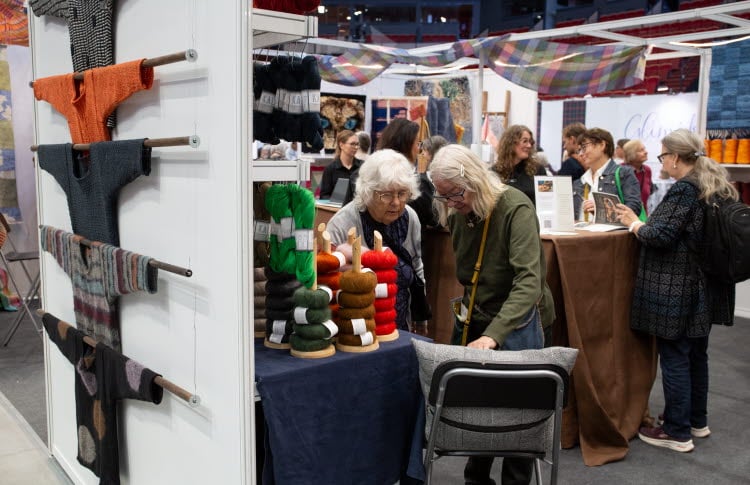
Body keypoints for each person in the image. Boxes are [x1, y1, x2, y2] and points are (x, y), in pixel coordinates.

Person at [430, 144, 555, 485]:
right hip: (481, 317)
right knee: (480, 407)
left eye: (455, 194)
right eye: (443, 196)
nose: (450, 203)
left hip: (521, 319)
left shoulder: (515, 208)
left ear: (474, 180)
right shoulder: (458, 212)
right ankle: (476, 478)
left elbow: (529, 283)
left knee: (520, 415)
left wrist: (493, 335)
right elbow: (470, 276)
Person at [614, 128, 736, 453]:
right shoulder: (712, 184)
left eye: (663, 155)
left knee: (675, 357)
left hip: (679, 288)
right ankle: (696, 421)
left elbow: (660, 235)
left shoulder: (684, 188)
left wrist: (633, 222)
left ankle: (677, 431)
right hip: (704, 287)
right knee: (696, 355)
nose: (662, 161)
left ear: (676, 157)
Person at [326, 149, 425, 332]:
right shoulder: (342, 224)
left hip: (399, 325)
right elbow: (327, 281)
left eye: (402, 193)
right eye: (386, 195)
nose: (396, 202)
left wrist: (420, 316)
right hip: (355, 331)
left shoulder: (410, 218)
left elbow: (417, 266)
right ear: (368, 192)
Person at [377, 118, 439, 228]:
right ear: (407, 145)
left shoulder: (366, 175)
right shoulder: (419, 184)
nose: (420, 150)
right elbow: (435, 219)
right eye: (418, 143)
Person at [573, 127, 642, 221]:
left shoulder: (624, 173)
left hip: (612, 231)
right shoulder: (580, 181)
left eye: (584, 147)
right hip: (580, 230)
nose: (580, 154)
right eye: (579, 150)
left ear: (602, 145)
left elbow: (634, 209)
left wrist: (603, 211)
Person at [493, 125, 546, 205]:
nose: (529, 145)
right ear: (511, 143)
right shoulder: (495, 172)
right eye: (525, 141)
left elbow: (546, 199)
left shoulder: (539, 170)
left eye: (530, 142)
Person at [319, 130, 363, 201]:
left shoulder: (363, 166)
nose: (356, 147)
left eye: (357, 144)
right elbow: (324, 196)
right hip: (337, 206)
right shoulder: (330, 169)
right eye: (352, 144)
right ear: (341, 145)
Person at [622, 139, 654, 213]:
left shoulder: (647, 170)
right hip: (624, 216)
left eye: (644, 149)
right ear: (631, 154)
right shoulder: (620, 170)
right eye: (641, 150)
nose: (646, 152)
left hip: (643, 216)